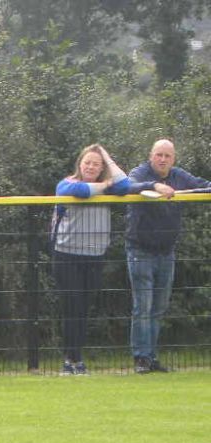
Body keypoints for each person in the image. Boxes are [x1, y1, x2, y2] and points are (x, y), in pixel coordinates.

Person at [125, 139, 210, 374]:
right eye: (159, 155)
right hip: (140, 249)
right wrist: (155, 186)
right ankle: (141, 358)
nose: (163, 159)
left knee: (158, 307)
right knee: (143, 306)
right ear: (151, 156)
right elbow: (128, 186)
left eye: (167, 156)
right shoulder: (140, 172)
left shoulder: (179, 176)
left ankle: (152, 357)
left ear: (173, 159)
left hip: (166, 251)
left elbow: (203, 185)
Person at [50, 144, 133, 375]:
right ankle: (70, 360)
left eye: (97, 163)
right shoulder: (66, 184)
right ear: (80, 163)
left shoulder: (112, 187)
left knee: (84, 309)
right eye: (87, 162)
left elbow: (125, 185)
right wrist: (104, 185)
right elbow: (81, 191)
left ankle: (77, 359)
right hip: (66, 255)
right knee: (72, 307)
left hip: (94, 256)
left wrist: (105, 155)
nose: (91, 166)